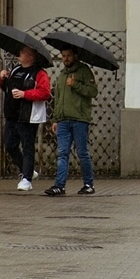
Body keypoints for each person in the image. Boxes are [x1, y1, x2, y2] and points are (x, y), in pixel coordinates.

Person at [44, 46, 98, 196]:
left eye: (68, 55)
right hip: (63, 121)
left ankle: (88, 184)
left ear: (75, 56)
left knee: (82, 152)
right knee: (62, 153)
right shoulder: (62, 75)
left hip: (79, 119)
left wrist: (76, 85)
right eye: (63, 56)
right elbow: (58, 100)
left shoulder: (84, 71)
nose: (65, 58)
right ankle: (59, 186)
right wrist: (55, 119)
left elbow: (93, 91)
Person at [0, 44, 52, 192]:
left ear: (31, 56)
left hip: (28, 116)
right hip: (12, 115)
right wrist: (3, 79)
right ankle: (27, 170)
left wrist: (25, 94)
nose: (19, 54)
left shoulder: (39, 73)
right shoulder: (16, 70)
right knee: (10, 145)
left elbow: (45, 93)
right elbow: (7, 89)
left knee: (27, 147)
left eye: (23, 52)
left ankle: (26, 179)